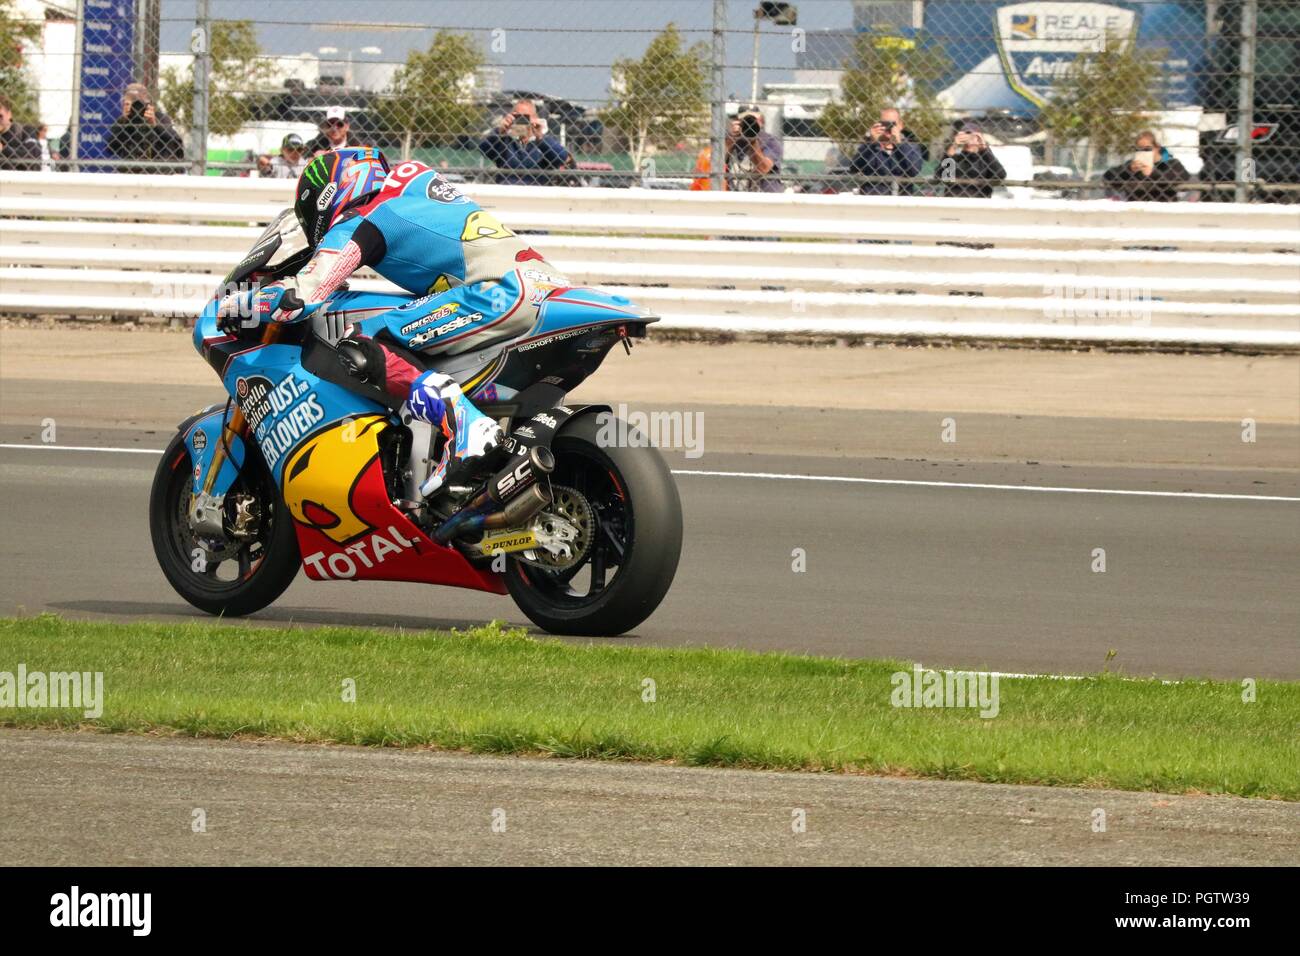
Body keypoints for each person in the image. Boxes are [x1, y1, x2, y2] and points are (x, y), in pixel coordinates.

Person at [218, 148, 573, 496]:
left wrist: (239, 303)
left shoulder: (365, 219)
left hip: (502, 294)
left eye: (310, 212)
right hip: (549, 289)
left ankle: (467, 426)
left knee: (363, 340)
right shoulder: (415, 184)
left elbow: (300, 298)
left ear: (329, 193)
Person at [478, 98, 571, 185]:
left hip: (537, 192)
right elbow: (484, 150)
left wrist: (540, 138)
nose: (521, 120)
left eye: (526, 117)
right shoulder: (505, 140)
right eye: (517, 116)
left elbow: (561, 157)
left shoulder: (545, 140)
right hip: (507, 192)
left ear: (535, 118)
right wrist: (499, 132)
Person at [689, 109, 783, 192]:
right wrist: (732, 138)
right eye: (745, 121)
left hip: (765, 195)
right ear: (738, 122)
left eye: (754, 121)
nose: (750, 125)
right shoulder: (730, 139)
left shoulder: (770, 141)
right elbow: (715, 163)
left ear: (761, 122)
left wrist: (752, 140)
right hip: (735, 195)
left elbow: (763, 168)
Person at [106, 83, 184, 173]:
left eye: (139, 104)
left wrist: (155, 124)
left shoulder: (160, 118)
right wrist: (124, 122)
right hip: (131, 169)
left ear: (149, 105)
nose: (136, 108)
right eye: (129, 104)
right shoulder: (124, 122)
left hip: (157, 169)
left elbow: (176, 141)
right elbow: (110, 148)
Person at [850, 107, 924, 196]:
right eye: (885, 124)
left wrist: (899, 145)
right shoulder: (870, 146)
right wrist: (871, 143)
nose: (888, 128)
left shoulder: (911, 147)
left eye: (892, 124)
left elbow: (914, 170)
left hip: (901, 200)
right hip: (873, 200)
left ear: (901, 125)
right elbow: (854, 167)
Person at [1103, 130, 1189, 202]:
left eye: (1147, 148)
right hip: (1136, 211)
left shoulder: (1171, 163)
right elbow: (1108, 176)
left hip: (1163, 209)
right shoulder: (1132, 165)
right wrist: (1129, 170)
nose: (1143, 152)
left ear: (1157, 147)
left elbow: (1183, 177)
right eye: (1139, 149)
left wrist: (1153, 173)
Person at [933, 121, 1005, 198]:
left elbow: (1000, 175)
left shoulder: (986, 159)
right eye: (966, 135)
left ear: (979, 138)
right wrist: (954, 146)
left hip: (979, 203)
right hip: (954, 202)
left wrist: (984, 148)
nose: (970, 139)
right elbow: (938, 175)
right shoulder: (955, 158)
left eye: (974, 136)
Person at [0, 94, 42, 170]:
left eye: (0, 116)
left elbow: (33, 156)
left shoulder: (25, 131)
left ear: (9, 114)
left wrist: (3, 149)